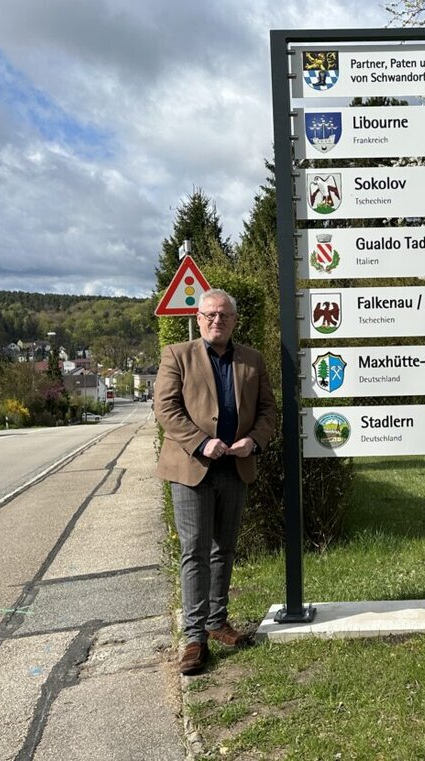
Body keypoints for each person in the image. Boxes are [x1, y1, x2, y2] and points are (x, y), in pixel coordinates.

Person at [155, 289, 277, 675]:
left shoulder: (252, 360)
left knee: (224, 548)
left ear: (234, 320)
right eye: (209, 315)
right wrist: (201, 443)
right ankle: (194, 637)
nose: (216, 321)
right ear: (198, 317)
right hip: (192, 467)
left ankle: (217, 622)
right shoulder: (178, 355)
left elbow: (268, 410)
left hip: (235, 468)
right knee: (194, 549)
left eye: (223, 315)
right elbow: (166, 408)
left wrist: (254, 441)